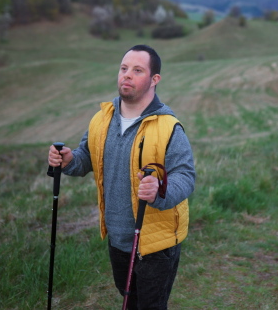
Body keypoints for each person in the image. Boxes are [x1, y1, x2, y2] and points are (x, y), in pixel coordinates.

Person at [48, 45, 196, 308]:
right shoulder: (101, 120)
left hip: (156, 244)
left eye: (137, 70)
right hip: (118, 239)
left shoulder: (168, 127)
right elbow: (87, 158)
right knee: (128, 301)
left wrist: (160, 190)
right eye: (124, 68)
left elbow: (185, 176)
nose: (126, 75)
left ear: (154, 80)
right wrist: (69, 160)